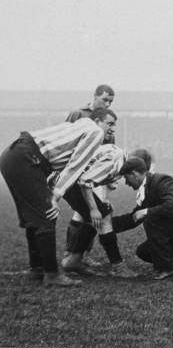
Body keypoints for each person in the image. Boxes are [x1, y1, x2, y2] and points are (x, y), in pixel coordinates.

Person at [0, 108, 116, 286]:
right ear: (98, 120)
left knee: (34, 217)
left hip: (11, 155)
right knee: (47, 214)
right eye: (110, 123)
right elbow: (75, 166)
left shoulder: (81, 124)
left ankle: (37, 269)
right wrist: (56, 195)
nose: (112, 129)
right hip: (27, 157)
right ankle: (52, 275)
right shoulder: (95, 131)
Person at [112, 157, 173, 280]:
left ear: (134, 174)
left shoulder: (163, 181)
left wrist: (147, 211)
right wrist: (106, 226)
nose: (127, 183)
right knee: (144, 251)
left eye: (126, 178)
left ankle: (169, 268)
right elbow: (134, 218)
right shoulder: (148, 188)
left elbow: (172, 206)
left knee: (150, 219)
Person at [59, 143, 139, 278]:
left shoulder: (117, 154)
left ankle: (72, 259)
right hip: (71, 182)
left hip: (68, 180)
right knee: (103, 216)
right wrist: (94, 208)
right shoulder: (116, 160)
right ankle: (117, 266)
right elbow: (85, 181)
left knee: (94, 216)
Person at [64, 84, 116, 268]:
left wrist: (109, 177)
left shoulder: (108, 119)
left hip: (97, 174)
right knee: (87, 212)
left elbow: (110, 145)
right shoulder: (77, 114)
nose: (108, 103)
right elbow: (65, 137)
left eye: (111, 101)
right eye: (105, 99)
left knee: (95, 212)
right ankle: (71, 253)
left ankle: (83, 254)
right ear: (94, 96)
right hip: (78, 172)